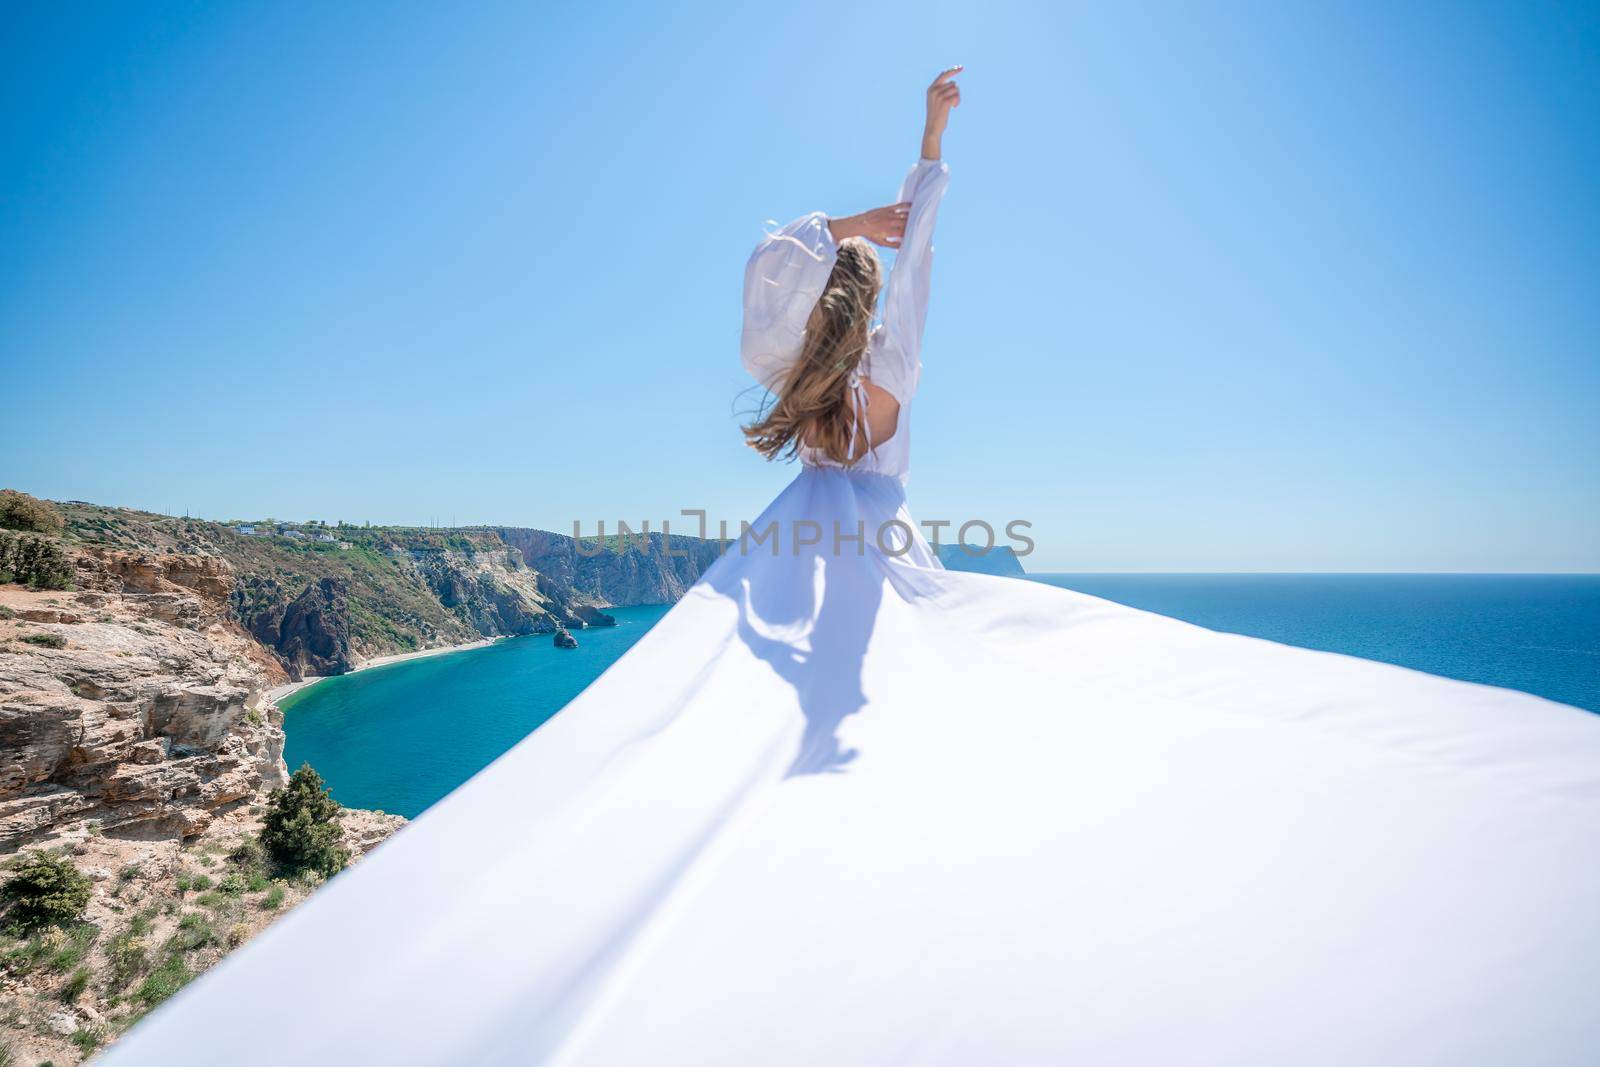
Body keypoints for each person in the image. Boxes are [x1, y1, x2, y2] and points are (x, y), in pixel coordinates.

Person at [105, 69, 1600, 1067]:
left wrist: (854, 232)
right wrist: (930, 135)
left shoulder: (806, 358)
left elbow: (825, 245)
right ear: (862, 304)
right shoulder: (887, 359)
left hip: (790, 545)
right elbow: (908, 235)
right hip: (879, 554)